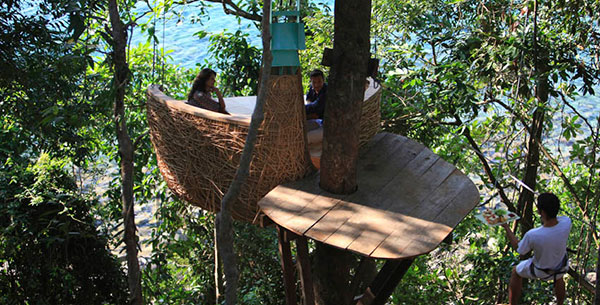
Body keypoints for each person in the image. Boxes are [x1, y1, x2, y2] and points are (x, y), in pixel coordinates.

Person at [500, 192, 571, 305]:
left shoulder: (533, 235)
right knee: (559, 277)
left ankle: (512, 304)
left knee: (516, 271)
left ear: (540, 211)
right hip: (561, 266)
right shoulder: (567, 222)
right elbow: (557, 219)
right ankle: (560, 303)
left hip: (541, 271)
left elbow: (519, 249)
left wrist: (506, 226)